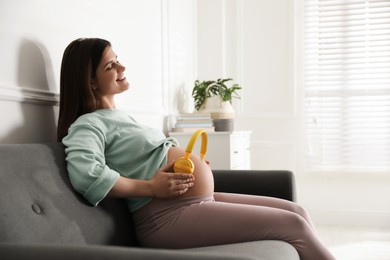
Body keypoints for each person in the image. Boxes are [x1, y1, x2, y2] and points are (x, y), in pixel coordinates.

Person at [58, 38, 335, 260]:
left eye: (118, 60)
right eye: (110, 66)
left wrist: (193, 163)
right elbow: (88, 175)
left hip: (194, 203)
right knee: (294, 226)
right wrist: (152, 187)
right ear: (90, 81)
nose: (122, 68)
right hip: (166, 218)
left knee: (297, 212)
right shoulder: (87, 125)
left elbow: (147, 160)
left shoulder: (120, 117)